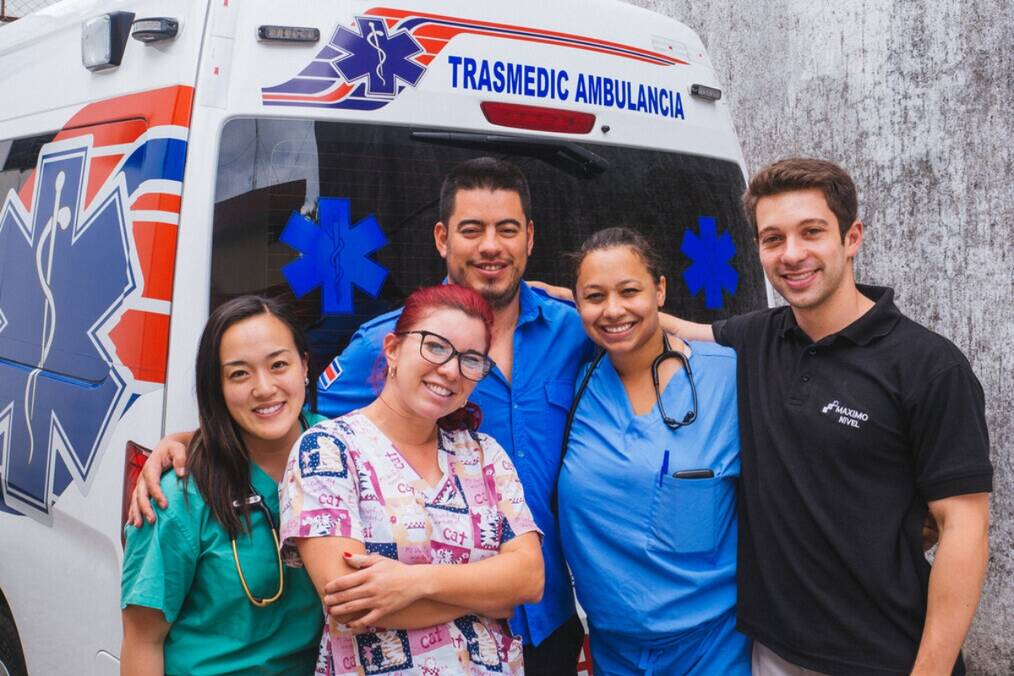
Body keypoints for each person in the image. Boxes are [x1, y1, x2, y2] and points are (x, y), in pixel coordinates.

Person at [131, 157, 648, 674]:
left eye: (507, 229)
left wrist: (416, 582)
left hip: (550, 621)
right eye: (472, 229)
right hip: (415, 637)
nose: (491, 245)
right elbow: (288, 414)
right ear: (443, 238)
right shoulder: (379, 345)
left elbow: (648, 331)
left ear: (529, 238)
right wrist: (199, 437)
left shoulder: (578, 331)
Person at [670, 158, 992, 675]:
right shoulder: (760, 335)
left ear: (852, 237)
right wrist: (562, 300)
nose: (791, 254)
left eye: (811, 232)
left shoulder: (929, 366)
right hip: (772, 652)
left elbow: (964, 527)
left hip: (883, 657)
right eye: (772, 238)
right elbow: (659, 326)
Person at [281, 284, 544, 674]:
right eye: (436, 347)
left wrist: (415, 583)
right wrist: (489, 594)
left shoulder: (484, 454)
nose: (451, 370)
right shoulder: (330, 450)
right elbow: (353, 604)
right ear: (392, 349)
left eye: (471, 359)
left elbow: (529, 578)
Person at [557, 227, 750, 675]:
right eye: (594, 296)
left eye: (629, 291)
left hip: (713, 650)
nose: (613, 310)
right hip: (613, 651)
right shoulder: (575, 383)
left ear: (660, 290)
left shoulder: (728, 377)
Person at [120, 296, 324, 675]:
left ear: (305, 367)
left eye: (279, 365)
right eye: (239, 374)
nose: (264, 388)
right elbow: (143, 639)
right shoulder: (179, 492)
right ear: (217, 387)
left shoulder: (346, 455)